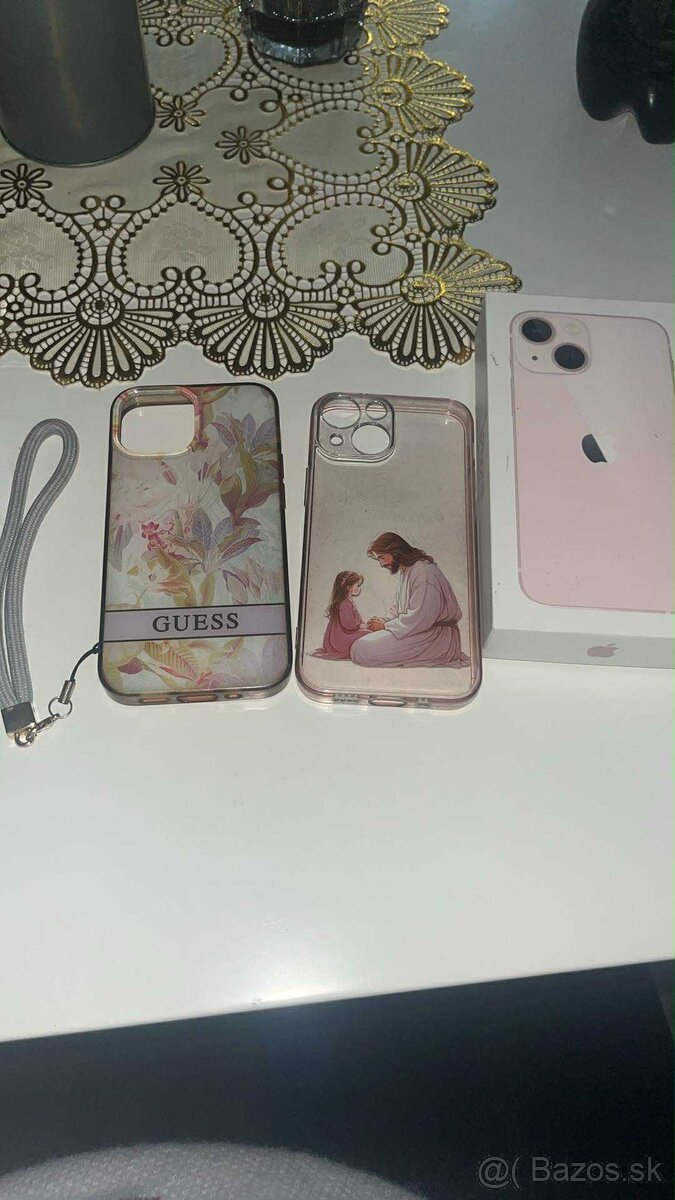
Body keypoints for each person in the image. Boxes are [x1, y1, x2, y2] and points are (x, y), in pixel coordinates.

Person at [351, 533, 469, 668]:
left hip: (436, 638)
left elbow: (421, 618)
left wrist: (385, 626)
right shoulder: (408, 569)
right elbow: (400, 607)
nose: (382, 564)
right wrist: (384, 621)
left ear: (395, 551)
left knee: (362, 649)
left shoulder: (423, 572)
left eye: (382, 558)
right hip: (421, 632)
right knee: (360, 646)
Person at [314, 571, 368, 659]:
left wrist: (363, 624)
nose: (359, 588)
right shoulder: (345, 603)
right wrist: (361, 626)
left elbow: (356, 618)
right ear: (348, 588)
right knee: (368, 632)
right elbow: (349, 624)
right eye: (358, 585)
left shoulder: (348, 601)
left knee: (368, 630)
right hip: (340, 639)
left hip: (342, 635)